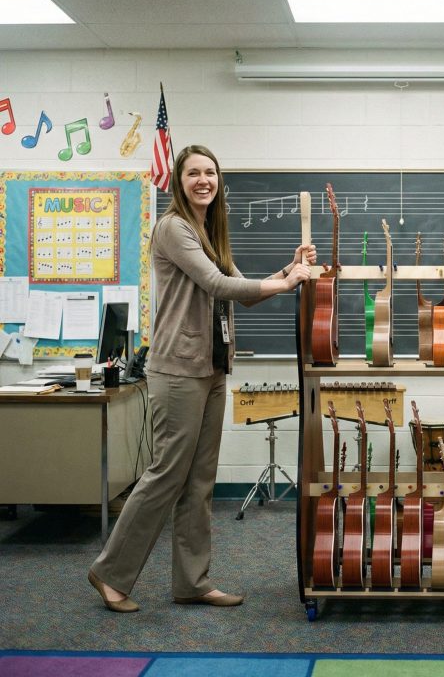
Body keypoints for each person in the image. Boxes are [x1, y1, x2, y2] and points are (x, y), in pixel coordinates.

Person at [88, 145, 316, 612]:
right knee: (166, 474)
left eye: (210, 172)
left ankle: (192, 581)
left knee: (199, 482)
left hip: (211, 368)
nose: (203, 180)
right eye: (194, 173)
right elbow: (218, 285)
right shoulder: (173, 228)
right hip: (177, 370)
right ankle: (110, 572)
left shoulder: (208, 233)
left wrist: (289, 271)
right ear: (179, 180)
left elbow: (242, 291)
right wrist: (289, 282)